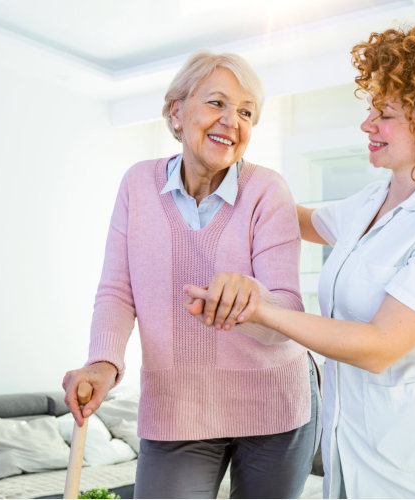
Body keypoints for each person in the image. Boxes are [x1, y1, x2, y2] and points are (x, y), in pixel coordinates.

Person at [185, 23, 415, 498]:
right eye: (371, 109)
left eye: (386, 113)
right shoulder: (370, 202)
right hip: (351, 461)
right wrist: (223, 162)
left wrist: (262, 310)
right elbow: (291, 218)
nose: (368, 124)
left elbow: (377, 346)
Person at [59, 50, 318, 499]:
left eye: (246, 112)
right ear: (177, 110)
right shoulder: (138, 185)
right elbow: (117, 290)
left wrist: (253, 298)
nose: (231, 121)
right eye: (217, 103)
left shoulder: (267, 191)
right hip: (178, 406)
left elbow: (289, 311)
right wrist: (103, 362)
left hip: (274, 404)